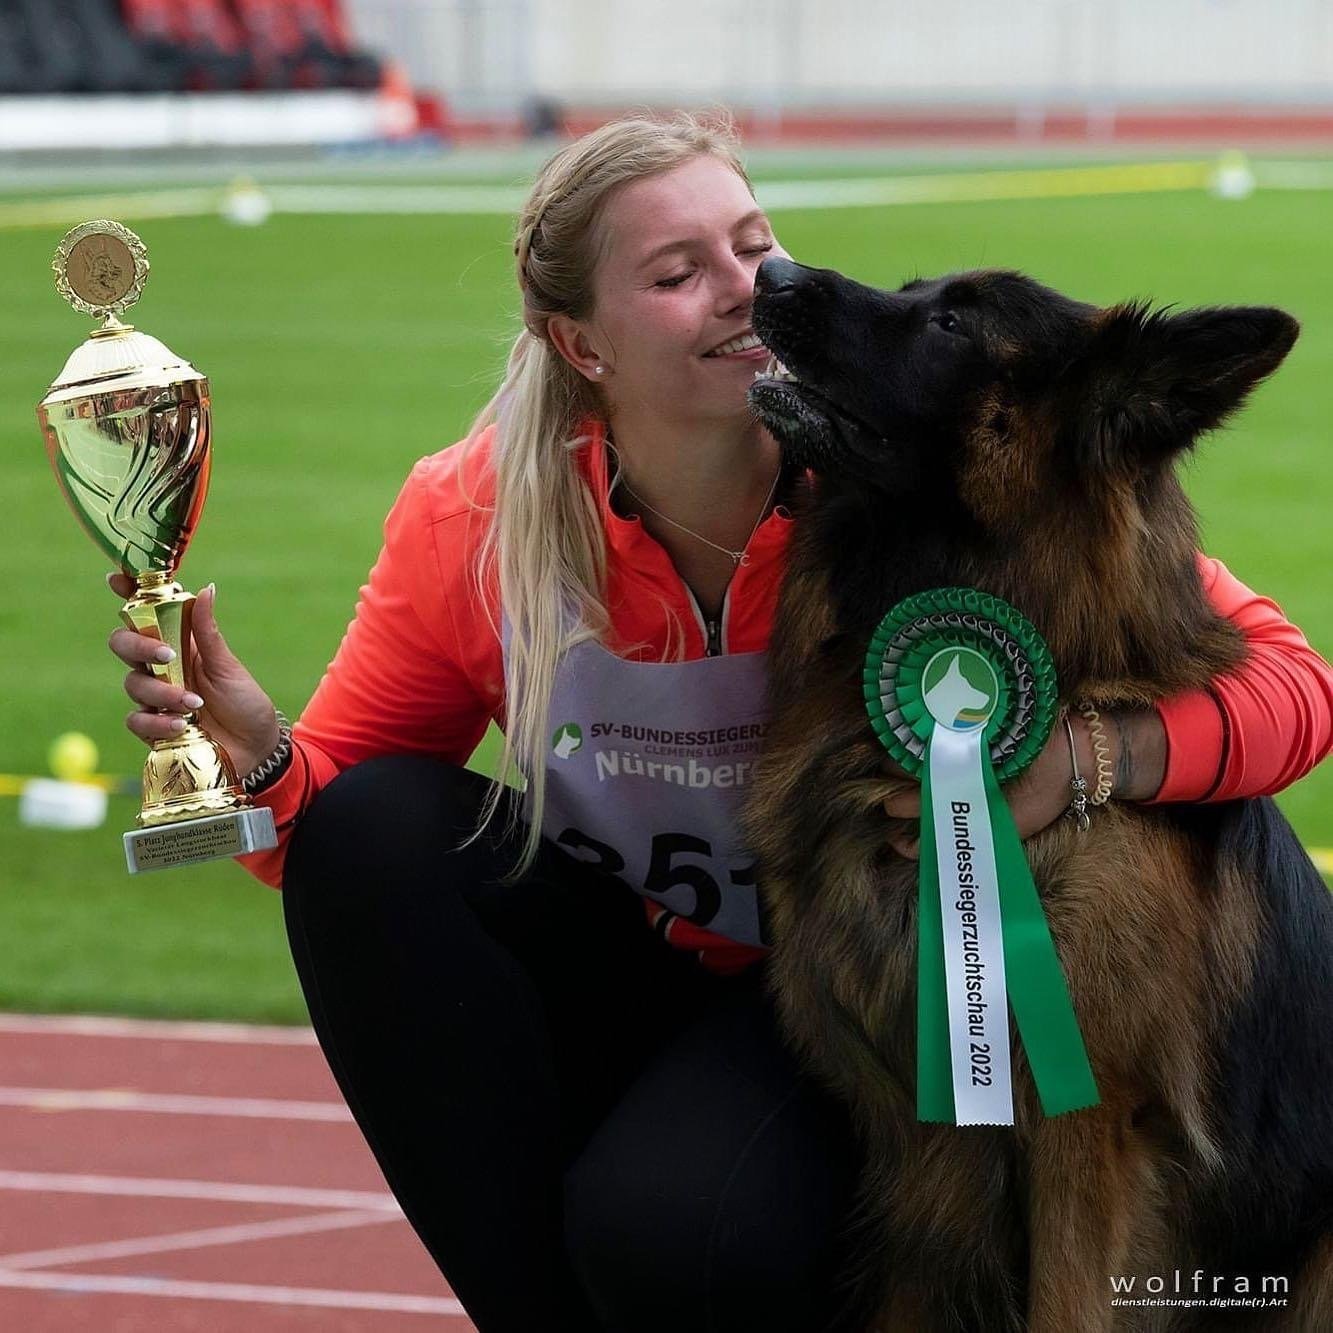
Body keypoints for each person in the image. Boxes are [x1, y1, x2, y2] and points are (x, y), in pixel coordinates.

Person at [106, 112, 1333, 1333]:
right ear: (577, 341)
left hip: (822, 1004)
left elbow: (1294, 690)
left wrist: (1085, 758)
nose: (750, 290)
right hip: (633, 963)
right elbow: (310, 848)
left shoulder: (884, 486)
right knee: (372, 831)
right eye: (677, 274)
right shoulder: (471, 518)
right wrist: (254, 753)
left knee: (668, 1233)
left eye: (752, 244)